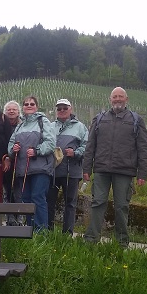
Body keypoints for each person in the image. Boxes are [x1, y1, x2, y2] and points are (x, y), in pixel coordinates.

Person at [82, 87, 147, 247]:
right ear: (110, 100)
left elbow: (143, 148)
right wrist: (86, 168)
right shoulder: (99, 119)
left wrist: (143, 173)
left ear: (126, 99)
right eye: (114, 97)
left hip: (124, 171)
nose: (117, 99)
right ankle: (91, 240)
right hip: (101, 170)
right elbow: (90, 145)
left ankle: (121, 243)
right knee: (97, 203)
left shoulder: (136, 120)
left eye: (120, 96)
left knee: (121, 207)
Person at [8, 96, 56, 230]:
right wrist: (13, 149)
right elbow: (11, 144)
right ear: (23, 107)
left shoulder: (43, 122)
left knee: (38, 197)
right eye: (26, 104)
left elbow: (51, 143)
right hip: (23, 169)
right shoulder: (20, 125)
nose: (29, 106)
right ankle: (30, 230)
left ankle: (41, 232)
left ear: (36, 106)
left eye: (32, 104)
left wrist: (37, 151)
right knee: (27, 198)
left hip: (41, 168)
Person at [48, 99, 88, 234]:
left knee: (70, 204)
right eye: (59, 108)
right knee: (49, 203)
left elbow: (87, 146)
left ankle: (67, 234)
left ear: (71, 109)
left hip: (72, 172)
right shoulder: (50, 126)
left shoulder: (80, 127)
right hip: (53, 171)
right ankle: (48, 231)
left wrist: (76, 153)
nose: (62, 110)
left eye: (65, 108)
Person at [2, 100, 23, 225]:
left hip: (20, 162)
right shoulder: (2, 124)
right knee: (7, 190)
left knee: (19, 191)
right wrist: (6, 157)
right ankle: (10, 218)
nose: (11, 111)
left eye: (14, 109)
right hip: (5, 162)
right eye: (9, 109)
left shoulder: (23, 125)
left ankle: (19, 218)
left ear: (18, 111)